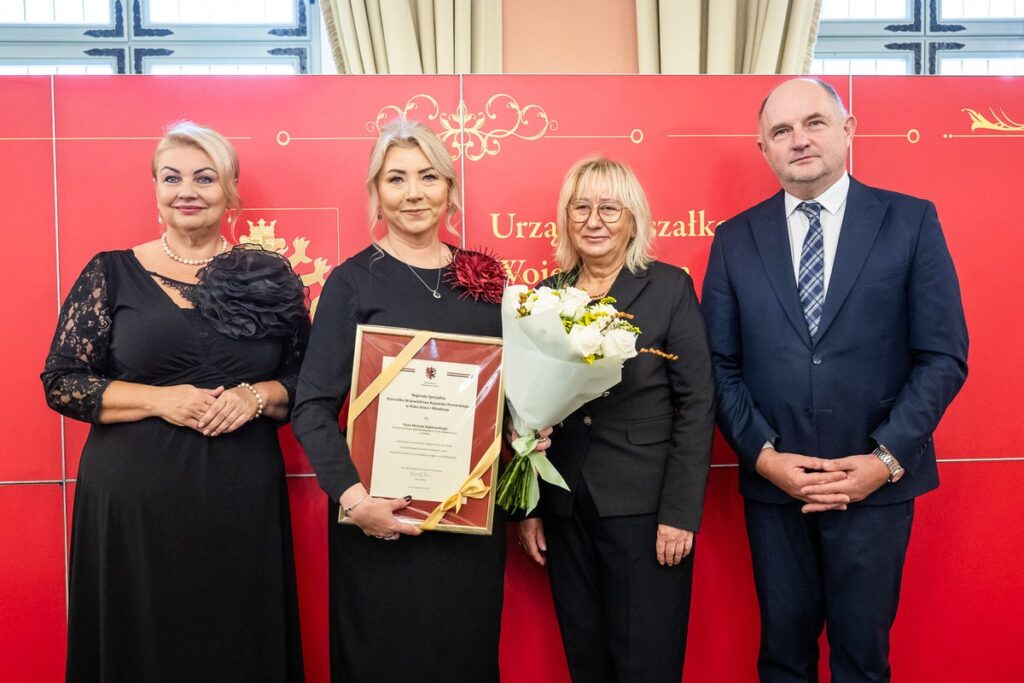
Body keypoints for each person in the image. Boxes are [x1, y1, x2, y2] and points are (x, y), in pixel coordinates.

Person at [701, 78, 969, 682]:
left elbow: (943, 356)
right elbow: (717, 364)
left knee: (862, 663)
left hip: (875, 487)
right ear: (764, 149)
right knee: (783, 660)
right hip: (777, 490)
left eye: (814, 122)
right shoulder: (735, 239)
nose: (799, 140)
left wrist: (884, 460)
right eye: (781, 131)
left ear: (848, 130)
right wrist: (764, 458)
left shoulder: (911, 221)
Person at [41, 121, 308, 681]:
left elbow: (308, 380)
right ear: (156, 189)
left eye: (204, 178)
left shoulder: (271, 277)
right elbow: (63, 381)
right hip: (133, 503)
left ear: (230, 189)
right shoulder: (110, 271)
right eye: (172, 178)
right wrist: (161, 401)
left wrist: (256, 395)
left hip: (241, 499)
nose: (187, 191)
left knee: (237, 642)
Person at [291, 118, 508, 682]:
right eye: (396, 178)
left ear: (449, 189)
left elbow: (505, 394)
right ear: (377, 192)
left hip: (467, 521)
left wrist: (527, 427)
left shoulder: (485, 281)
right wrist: (354, 500)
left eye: (428, 177)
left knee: (464, 660)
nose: (414, 193)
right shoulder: (351, 282)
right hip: (377, 522)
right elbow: (311, 407)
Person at [516, 157, 716, 682]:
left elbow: (697, 404)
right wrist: (529, 508)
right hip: (565, 507)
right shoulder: (546, 295)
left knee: (645, 663)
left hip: (645, 511)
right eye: (580, 207)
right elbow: (528, 414)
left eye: (609, 208)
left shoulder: (669, 288)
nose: (593, 221)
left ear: (633, 218)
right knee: (586, 659)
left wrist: (680, 513)